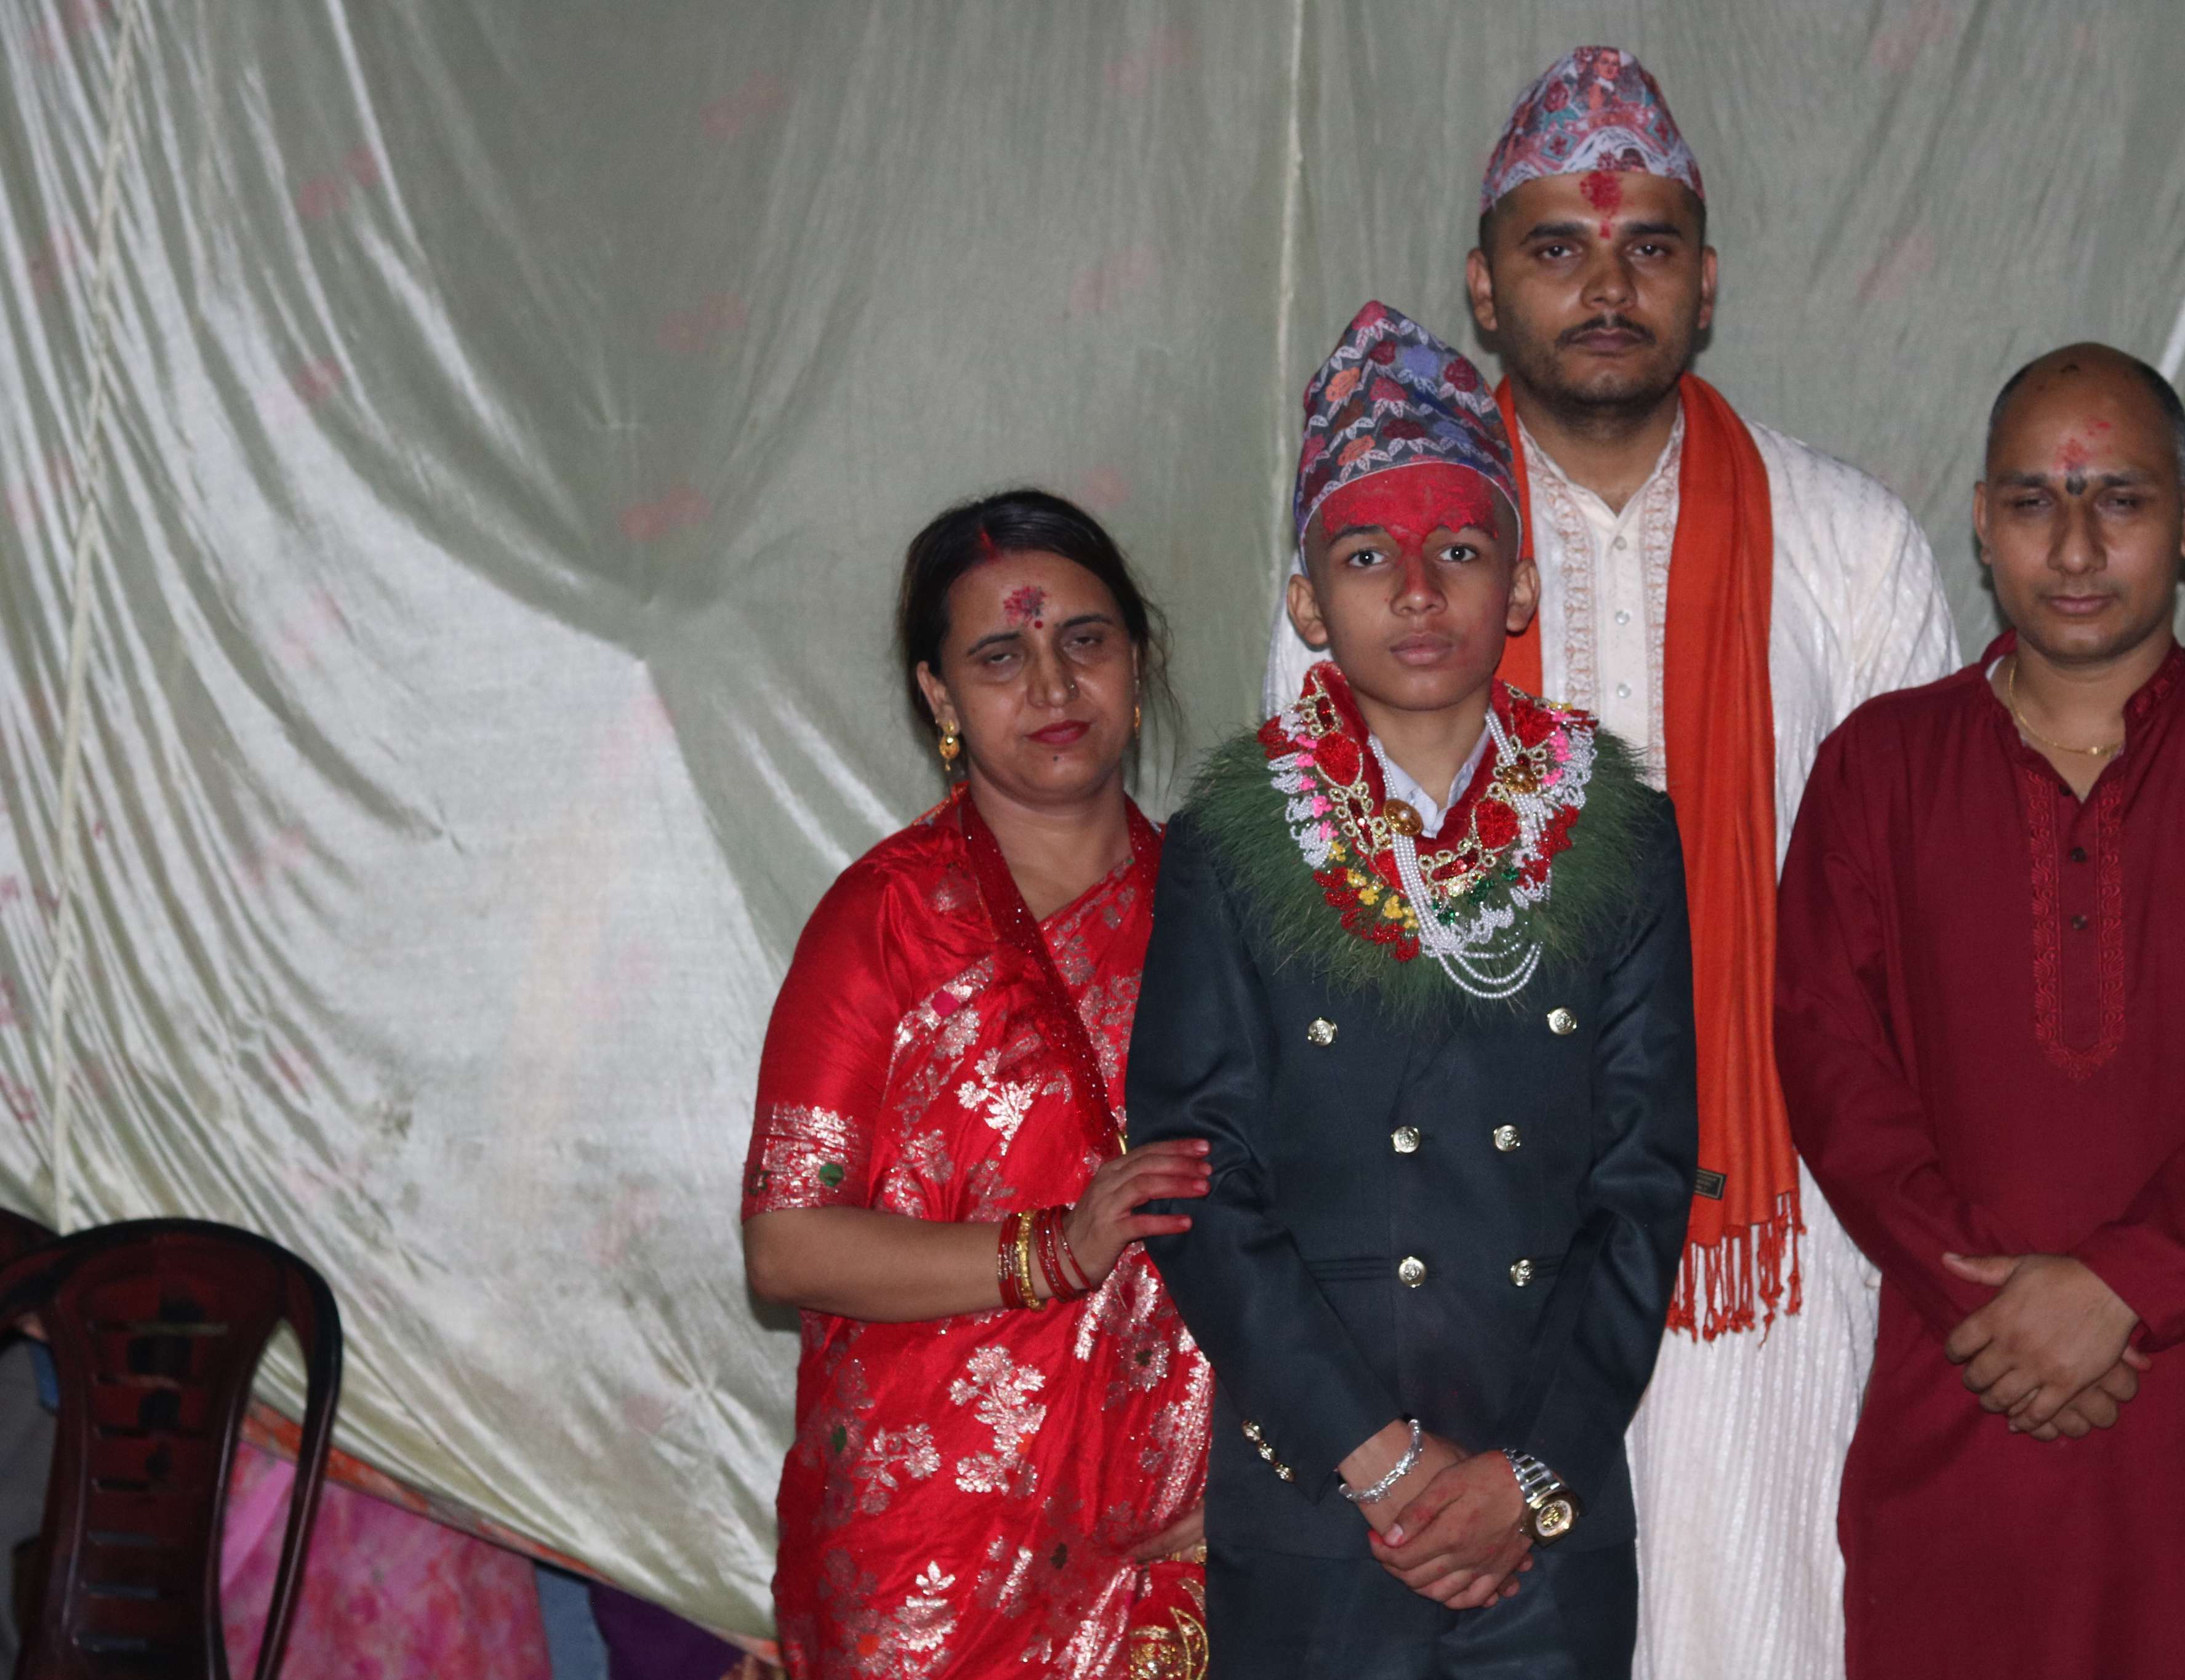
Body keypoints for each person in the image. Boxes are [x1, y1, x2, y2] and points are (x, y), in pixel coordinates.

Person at [1265, 46, 1959, 1678]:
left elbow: (1925, 922)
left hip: (1762, 1243)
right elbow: (1315, 913)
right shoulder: (1389, 554)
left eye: (1648, 245)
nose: (1605, 284)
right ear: (1482, 286)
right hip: (1456, 1235)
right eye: (1557, 248)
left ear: (1705, 286)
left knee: (1764, 1628)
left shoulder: (1849, 544)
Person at [1774, 343, 2185, 1676]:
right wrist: (1997, 1308)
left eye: (2118, 500)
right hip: (1969, 1401)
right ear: (1980, 521)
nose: (2072, 548)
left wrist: (2123, 1286)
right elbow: (1830, 1067)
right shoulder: (1876, 771)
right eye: (2031, 502)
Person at [1134, 300, 1698, 1677]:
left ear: (1519, 587)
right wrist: (1381, 1462)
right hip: (1318, 1511)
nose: (1417, 591)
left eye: (1457, 550)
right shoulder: (1235, 836)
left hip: (1545, 1520)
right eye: (1365, 555)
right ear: (1307, 605)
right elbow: (1197, 1184)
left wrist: (1531, 1471)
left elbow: (1641, 1181)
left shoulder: (1616, 828)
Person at [741, 490, 1213, 1679]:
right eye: (1001, 656)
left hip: (1176, 1547)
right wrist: (1055, 1251)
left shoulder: (1225, 918)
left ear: (1138, 662)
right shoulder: (884, 923)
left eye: (1086, 640)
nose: (1053, 685)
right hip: (934, 1564)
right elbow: (786, 1243)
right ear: (941, 696)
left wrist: (1279, 1462)